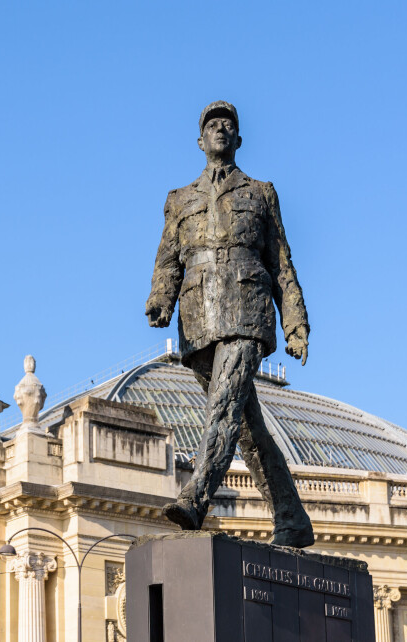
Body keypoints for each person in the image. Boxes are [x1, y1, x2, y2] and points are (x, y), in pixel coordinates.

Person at [145, 101, 314, 547]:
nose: (220, 129)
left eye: (228, 125)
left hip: (247, 312)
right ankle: (292, 517)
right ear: (200, 141)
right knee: (245, 426)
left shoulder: (260, 192)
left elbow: (281, 264)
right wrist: (159, 300)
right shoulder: (178, 199)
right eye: (212, 125)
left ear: (238, 140)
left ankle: (195, 498)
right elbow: (167, 261)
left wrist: (295, 321)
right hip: (199, 318)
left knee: (222, 407)